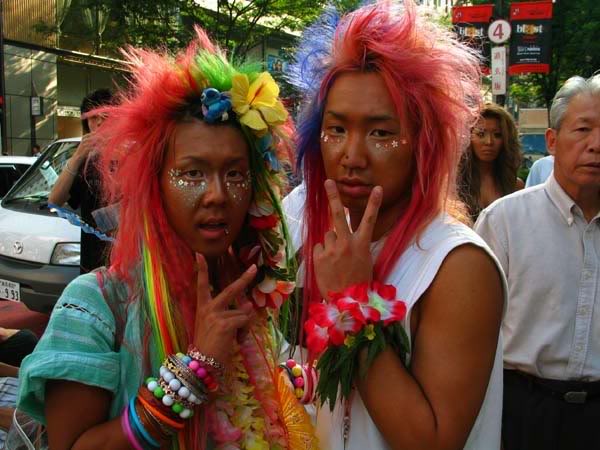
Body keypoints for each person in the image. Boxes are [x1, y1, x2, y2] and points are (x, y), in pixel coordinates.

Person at [18, 28, 317, 450]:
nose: (216, 194)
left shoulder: (246, 293)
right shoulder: (96, 306)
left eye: (234, 174)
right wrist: (196, 369)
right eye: (192, 173)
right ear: (154, 185)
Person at [285, 2, 505, 449]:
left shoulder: (457, 265)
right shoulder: (321, 233)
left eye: (381, 133)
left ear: (423, 143)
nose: (352, 155)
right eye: (336, 129)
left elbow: (433, 440)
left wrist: (352, 301)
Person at [475, 74, 600, 450]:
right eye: (583, 129)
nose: (596, 145)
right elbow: (474, 333)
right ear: (552, 141)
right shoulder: (504, 222)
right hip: (521, 411)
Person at [48, 88, 114, 274]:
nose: (100, 122)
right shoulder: (86, 161)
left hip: (129, 263)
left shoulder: (135, 155)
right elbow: (55, 201)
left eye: (106, 115)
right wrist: (77, 156)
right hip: (92, 264)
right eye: (93, 118)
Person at [458, 103, 524, 221]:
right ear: (467, 137)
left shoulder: (515, 186)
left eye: (497, 135)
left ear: (506, 140)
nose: (489, 141)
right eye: (481, 134)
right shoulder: (454, 185)